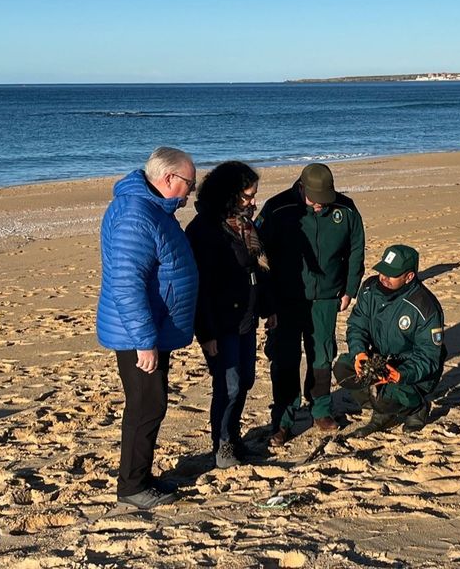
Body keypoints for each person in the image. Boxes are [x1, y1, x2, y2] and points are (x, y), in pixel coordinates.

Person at [96, 147, 198, 509]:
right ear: (169, 179)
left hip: (151, 326)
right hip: (137, 333)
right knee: (146, 407)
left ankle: (140, 477)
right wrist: (144, 341)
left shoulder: (151, 208)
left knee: (151, 405)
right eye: (190, 183)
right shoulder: (136, 215)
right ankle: (132, 487)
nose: (191, 191)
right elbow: (126, 283)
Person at [256, 163, 365, 446]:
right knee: (285, 358)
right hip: (286, 299)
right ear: (301, 187)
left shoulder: (346, 209)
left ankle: (321, 410)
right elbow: (258, 254)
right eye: (315, 200)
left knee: (322, 356)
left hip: (327, 298)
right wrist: (268, 301)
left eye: (325, 200)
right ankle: (283, 420)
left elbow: (356, 249)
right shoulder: (277, 208)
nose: (320, 206)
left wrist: (349, 289)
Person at [185, 161, 276, 469]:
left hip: (246, 318)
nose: (253, 202)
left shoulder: (247, 226)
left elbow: (259, 272)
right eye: (247, 196)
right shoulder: (204, 231)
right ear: (230, 194)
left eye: (254, 195)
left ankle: (233, 438)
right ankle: (222, 444)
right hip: (220, 323)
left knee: (246, 381)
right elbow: (201, 289)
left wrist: (269, 309)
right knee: (229, 385)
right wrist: (206, 334)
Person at [332, 245, 446, 437]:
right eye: (382, 270)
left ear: (409, 277)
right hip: (380, 359)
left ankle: (416, 407)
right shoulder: (369, 289)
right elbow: (357, 326)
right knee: (343, 369)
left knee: (386, 395)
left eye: (391, 274)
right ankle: (385, 412)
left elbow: (429, 358)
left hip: (409, 368)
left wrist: (400, 374)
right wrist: (359, 353)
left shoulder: (425, 307)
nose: (383, 277)